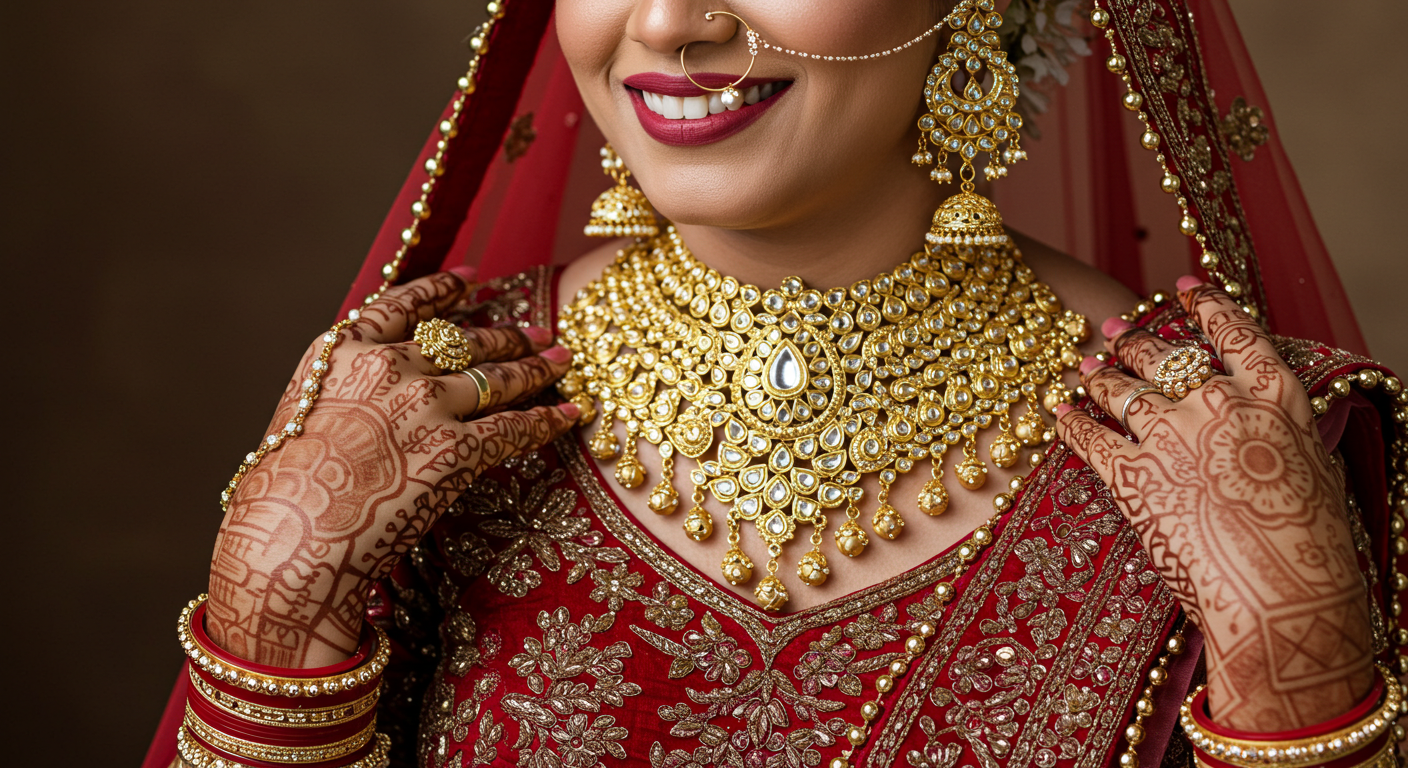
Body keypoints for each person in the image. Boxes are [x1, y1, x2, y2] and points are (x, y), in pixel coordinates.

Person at [144, 1, 1408, 767]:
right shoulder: (417, 413)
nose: (668, 24)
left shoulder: (1245, 450)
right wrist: (274, 624)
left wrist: (1292, 678)